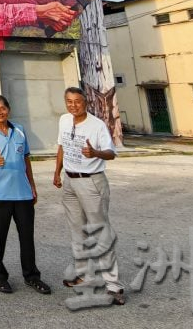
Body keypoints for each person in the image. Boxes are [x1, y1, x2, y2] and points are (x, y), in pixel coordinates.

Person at [52, 87, 125, 306]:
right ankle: (83, 274)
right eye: (69, 101)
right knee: (77, 230)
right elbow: (62, 147)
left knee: (100, 232)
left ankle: (114, 285)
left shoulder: (97, 125)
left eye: (77, 101)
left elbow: (111, 153)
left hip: (92, 181)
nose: (73, 105)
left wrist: (95, 153)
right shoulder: (64, 120)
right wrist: (57, 172)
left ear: (86, 103)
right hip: (70, 181)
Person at [0, 95, 51, 295]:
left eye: (2, 108)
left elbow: (26, 160)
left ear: (8, 109)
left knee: (27, 237)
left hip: (23, 194)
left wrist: (32, 186)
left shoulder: (19, 130)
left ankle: (32, 276)